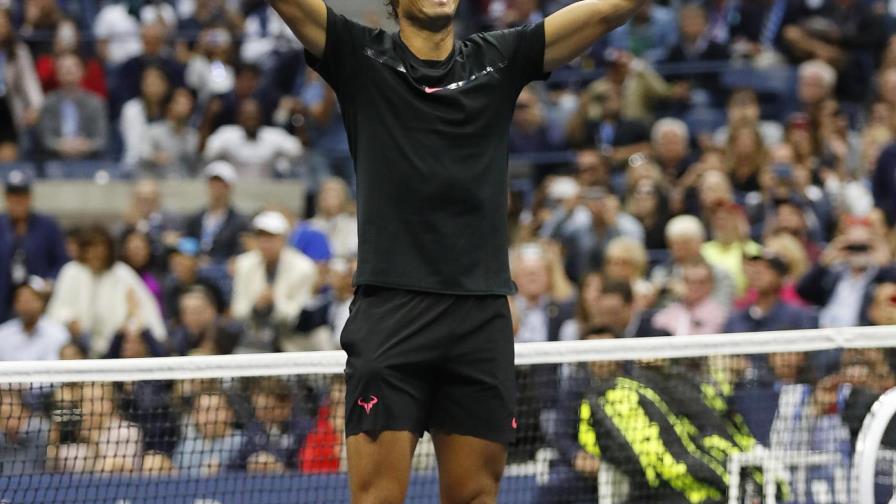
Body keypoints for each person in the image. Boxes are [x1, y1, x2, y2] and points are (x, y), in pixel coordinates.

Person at [266, 0, 651, 499]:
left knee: (476, 496)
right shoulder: (358, 55)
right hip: (392, 313)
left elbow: (606, 13)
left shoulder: (499, 58)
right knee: (377, 497)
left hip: (480, 317)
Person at [46, 225, 167, 357]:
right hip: (79, 345)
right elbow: (57, 309)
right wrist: (69, 320)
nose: (95, 254)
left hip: (115, 347)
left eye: (100, 248)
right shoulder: (72, 271)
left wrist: (128, 325)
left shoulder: (121, 273)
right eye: (90, 248)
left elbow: (143, 310)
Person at [231, 211, 317, 352]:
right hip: (254, 337)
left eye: (270, 238)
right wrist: (256, 306)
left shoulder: (304, 267)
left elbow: (299, 315)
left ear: (283, 239)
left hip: (290, 339)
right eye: (261, 237)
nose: (265, 243)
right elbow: (238, 311)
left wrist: (274, 301)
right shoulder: (244, 263)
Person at [0, 170, 68, 321]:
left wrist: (50, 281)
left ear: (30, 197)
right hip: (3, 300)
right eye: (13, 195)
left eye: (22, 195)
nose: (18, 200)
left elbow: (62, 261)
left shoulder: (47, 226)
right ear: (6, 197)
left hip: (38, 300)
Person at [203, 97, 303, 178]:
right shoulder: (227, 134)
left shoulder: (274, 135)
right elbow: (207, 152)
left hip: (267, 192)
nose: (251, 120)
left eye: (254, 116)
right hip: (234, 192)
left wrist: (299, 118)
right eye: (247, 116)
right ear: (239, 118)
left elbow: (298, 151)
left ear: (261, 117)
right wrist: (209, 117)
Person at [36, 52, 108, 159]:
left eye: (73, 67)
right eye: (63, 67)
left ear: (83, 71)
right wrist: (60, 145)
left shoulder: (96, 103)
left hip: (89, 159)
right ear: (57, 74)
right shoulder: (49, 102)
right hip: (55, 159)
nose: (68, 70)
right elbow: (45, 138)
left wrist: (85, 145)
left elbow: (101, 139)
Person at [183, 162, 250, 263]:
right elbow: (188, 246)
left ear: (230, 187)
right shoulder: (195, 219)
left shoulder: (239, 222)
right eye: (212, 183)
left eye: (221, 184)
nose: (216, 188)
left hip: (223, 272)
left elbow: (238, 254)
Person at [651, 259, 728, 336]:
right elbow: (656, 325)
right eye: (689, 281)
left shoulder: (717, 312)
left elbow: (705, 339)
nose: (694, 287)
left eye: (701, 282)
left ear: (711, 285)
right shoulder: (675, 307)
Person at [0, 277, 69, 361]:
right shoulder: (3, 333)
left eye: (30, 299)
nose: (26, 305)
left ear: (42, 302)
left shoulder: (58, 333)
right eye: (21, 300)